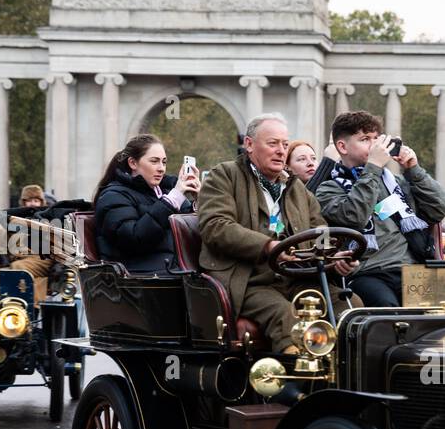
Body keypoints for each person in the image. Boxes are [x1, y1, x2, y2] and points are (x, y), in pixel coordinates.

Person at [197, 113, 341, 354]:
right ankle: (294, 388)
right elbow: (216, 227)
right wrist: (268, 246)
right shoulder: (224, 175)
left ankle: (349, 380)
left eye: (285, 145)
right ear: (250, 145)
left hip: (296, 278)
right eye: (272, 143)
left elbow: (320, 230)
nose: (281, 151)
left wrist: (337, 255)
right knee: (288, 317)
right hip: (249, 281)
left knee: (349, 307)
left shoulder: (295, 187)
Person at [315, 110, 445, 307]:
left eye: (377, 138)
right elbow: (354, 216)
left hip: (412, 270)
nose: (375, 145)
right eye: (365, 139)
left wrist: (413, 169)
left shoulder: (396, 183)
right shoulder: (329, 188)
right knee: (388, 313)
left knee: (442, 313)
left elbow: (439, 208)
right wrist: (373, 166)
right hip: (368, 273)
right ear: (342, 147)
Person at [93, 134, 199, 274]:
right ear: (133, 163)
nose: (161, 168)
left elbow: (192, 229)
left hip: (175, 269)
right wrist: (171, 201)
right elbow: (135, 239)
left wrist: (199, 200)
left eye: (164, 162)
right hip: (140, 277)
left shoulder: (164, 191)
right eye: (154, 161)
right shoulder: (112, 196)